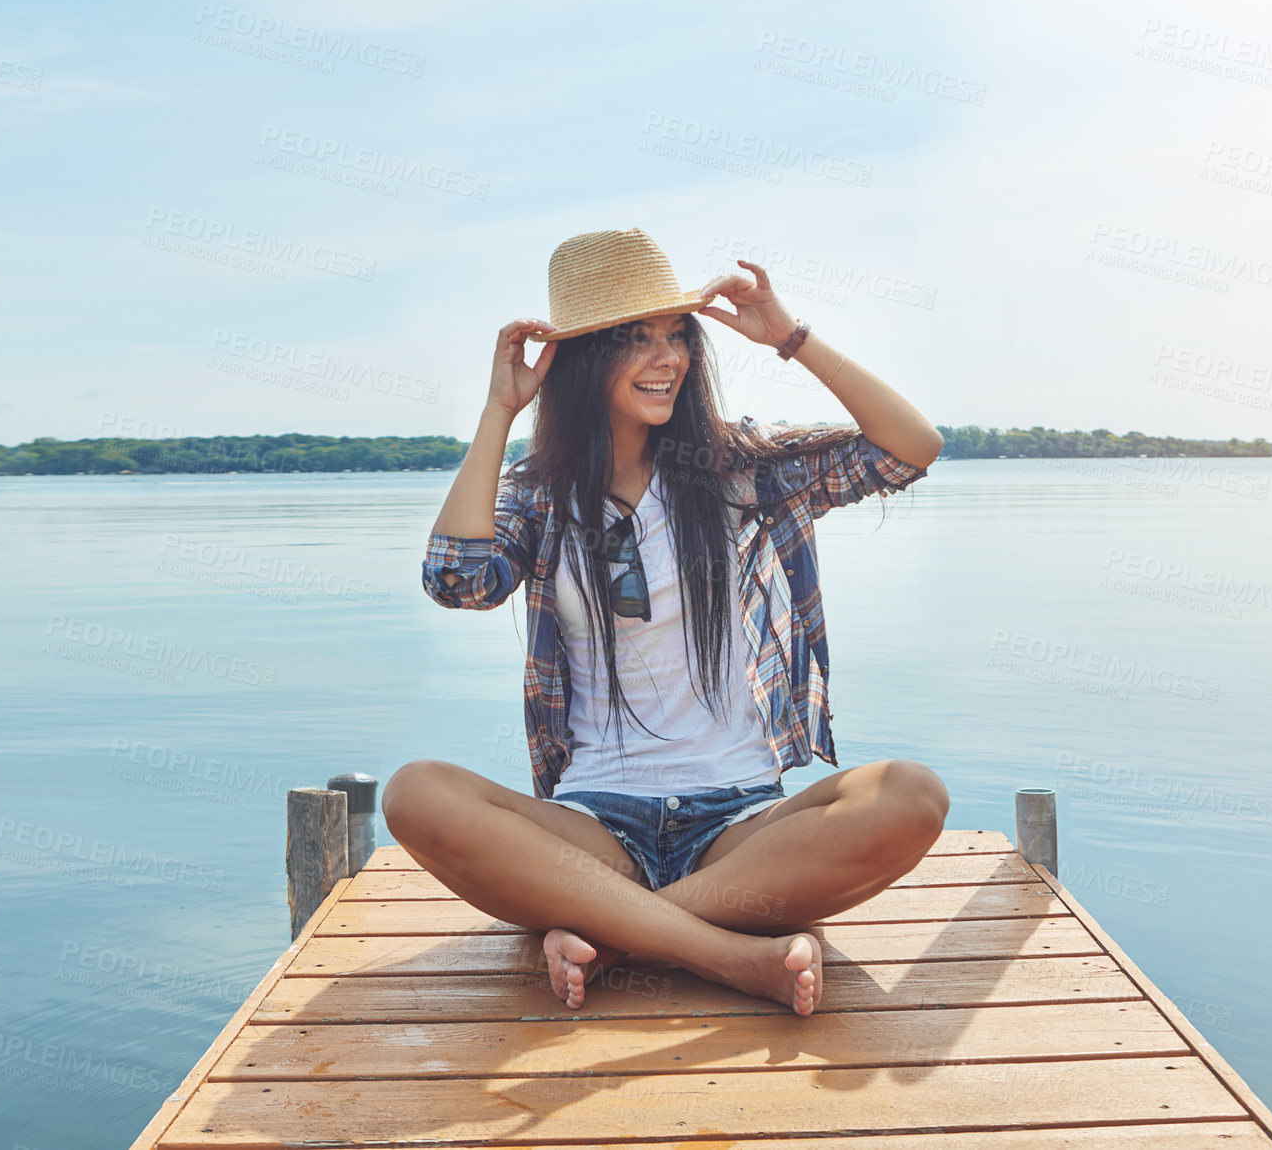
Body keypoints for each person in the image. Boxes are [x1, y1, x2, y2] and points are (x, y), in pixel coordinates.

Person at [382, 227, 950, 1017]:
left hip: (742, 820)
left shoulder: (737, 470)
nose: (669, 358)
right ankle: (726, 954)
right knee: (416, 793)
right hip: (593, 828)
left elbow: (910, 449)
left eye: (675, 336)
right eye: (635, 340)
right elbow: (459, 580)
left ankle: (618, 936)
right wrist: (498, 411)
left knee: (911, 796)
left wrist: (790, 337)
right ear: (583, 362)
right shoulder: (542, 493)